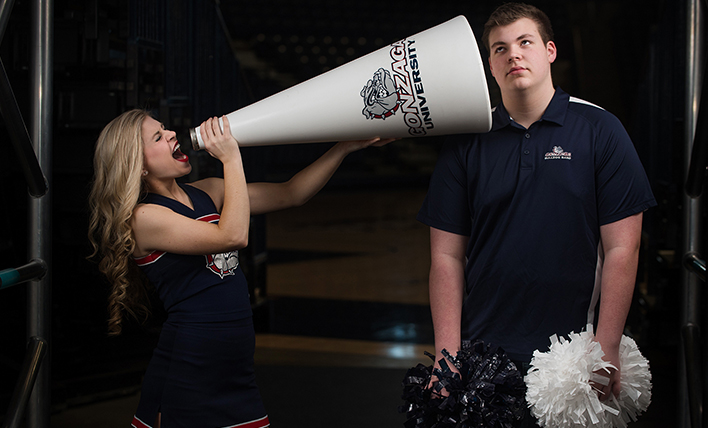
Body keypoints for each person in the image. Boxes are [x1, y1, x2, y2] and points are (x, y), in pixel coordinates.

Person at [416, 3, 656, 425]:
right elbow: (446, 257)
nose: (513, 55)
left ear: (549, 50)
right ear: (490, 65)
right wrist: (447, 355)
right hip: (484, 351)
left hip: (572, 353)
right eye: (499, 49)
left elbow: (623, 247)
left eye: (524, 42)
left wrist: (608, 346)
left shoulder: (600, 130)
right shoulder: (466, 142)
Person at [87, 109, 391, 428]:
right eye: (158, 137)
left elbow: (292, 193)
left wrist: (344, 146)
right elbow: (233, 235)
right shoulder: (144, 218)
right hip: (190, 369)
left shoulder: (208, 191)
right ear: (140, 165)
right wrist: (231, 158)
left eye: (165, 128)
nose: (172, 134)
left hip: (235, 366)